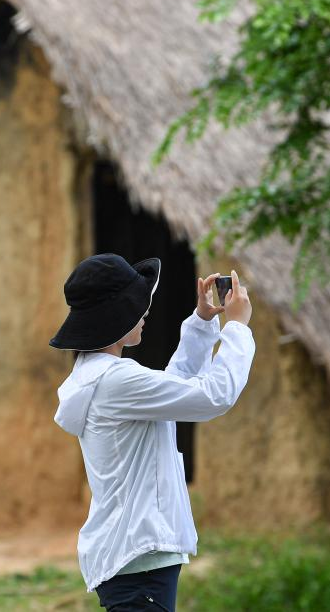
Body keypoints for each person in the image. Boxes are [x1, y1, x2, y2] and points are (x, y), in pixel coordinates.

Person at [50, 253, 255, 611]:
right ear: (118, 316)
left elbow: (173, 388)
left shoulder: (99, 376)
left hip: (133, 559)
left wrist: (202, 324)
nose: (145, 313)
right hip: (140, 561)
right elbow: (214, 396)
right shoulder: (116, 380)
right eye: (138, 306)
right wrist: (236, 328)